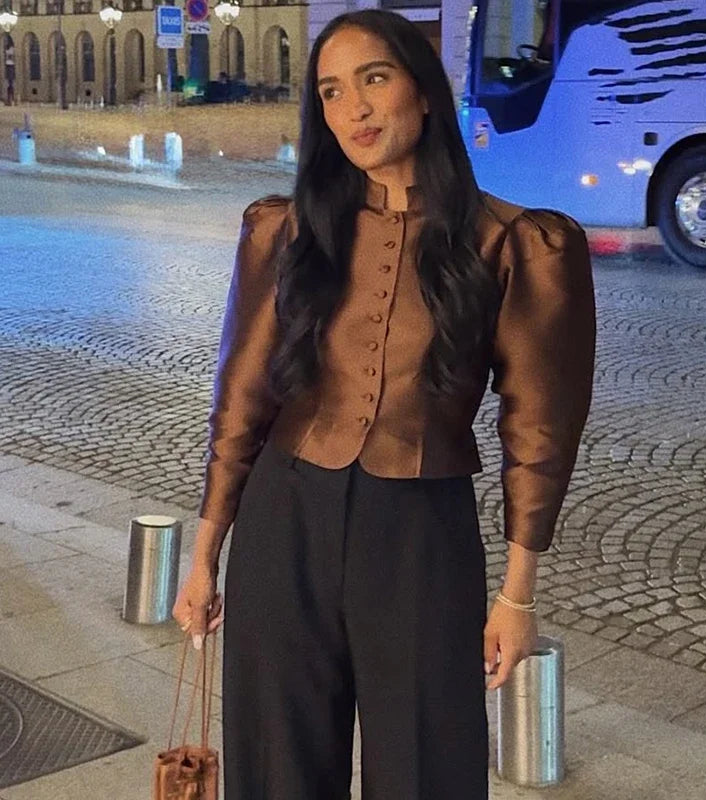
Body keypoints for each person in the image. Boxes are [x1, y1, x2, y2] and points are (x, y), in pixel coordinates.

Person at [173, 8, 595, 799]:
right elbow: (240, 399)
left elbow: (540, 428)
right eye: (331, 92)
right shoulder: (287, 232)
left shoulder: (514, 242)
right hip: (282, 522)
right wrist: (203, 555)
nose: (354, 110)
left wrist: (517, 594)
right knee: (278, 763)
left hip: (420, 532)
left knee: (426, 761)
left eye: (374, 79)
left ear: (425, 92)